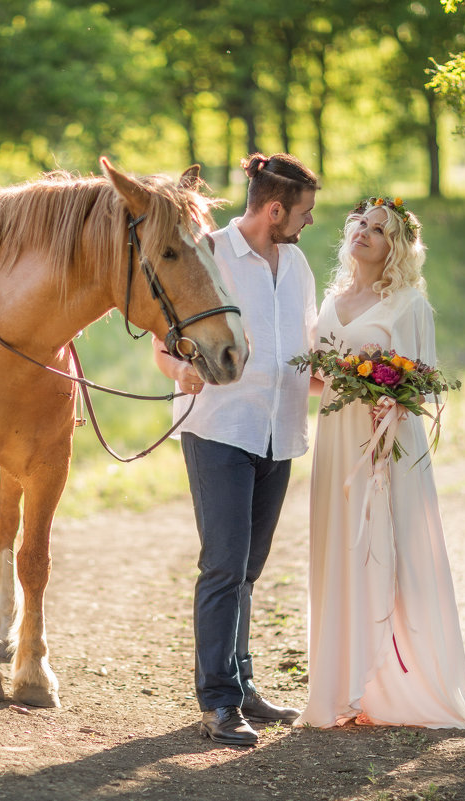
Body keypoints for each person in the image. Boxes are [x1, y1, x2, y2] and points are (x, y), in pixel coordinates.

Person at [297, 197, 465, 730]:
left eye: (379, 230)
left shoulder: (409, 305)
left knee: (388, 548)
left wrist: (390, 397)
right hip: (337, 439)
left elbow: (422, 384)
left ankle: (399, 685)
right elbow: (317, 380)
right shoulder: (332, 299)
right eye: (361, 222)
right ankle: (341, 687)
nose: (364, 232)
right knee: (340, 547)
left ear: (396, 248)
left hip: (386, 446)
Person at [152, 153, 321, 746]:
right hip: (220, 428)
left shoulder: (297, 264)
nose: (306, 223)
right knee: (224, 565)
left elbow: (304, 351)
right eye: (302, 213)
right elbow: (164, 347)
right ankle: (219, 703)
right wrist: (181, 371)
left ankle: (242, 682)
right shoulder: (209, 253)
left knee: (249, 568)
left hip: (281, 431)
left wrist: (364, 385)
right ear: (275, 209)